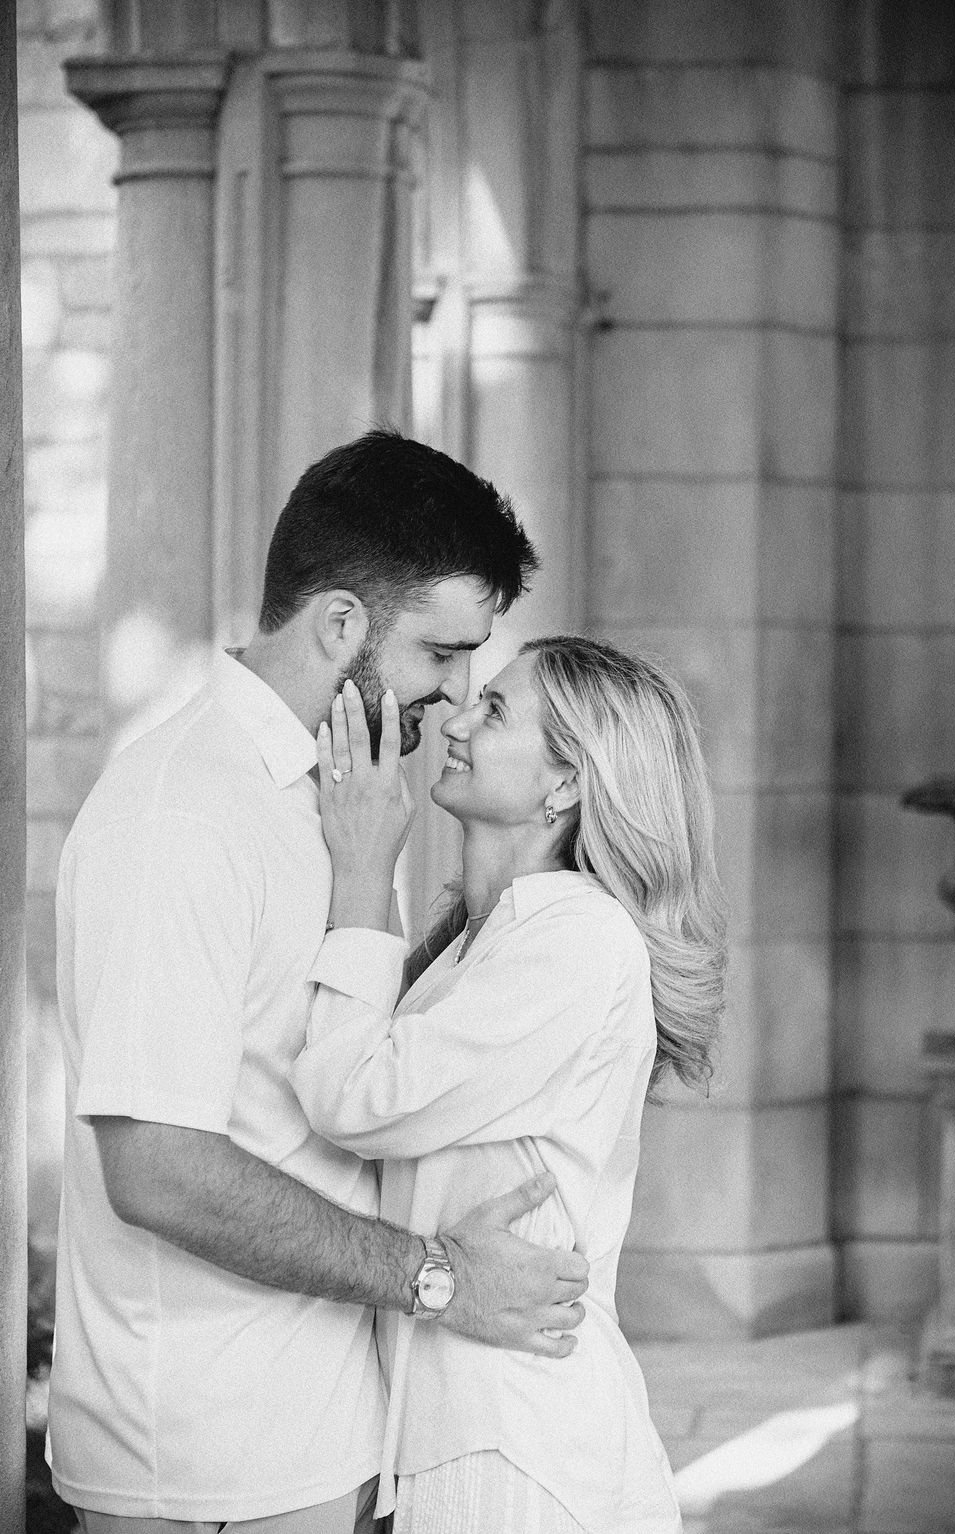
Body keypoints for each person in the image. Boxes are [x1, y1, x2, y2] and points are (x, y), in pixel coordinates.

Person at [47, 431, 591, 1534]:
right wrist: (439, 1277)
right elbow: (155, 1167)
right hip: (203, 1460)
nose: (458, 693)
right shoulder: (183, 815)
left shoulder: (341, 801)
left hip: (318, 1437)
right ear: (341, 623)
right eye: (443, 654)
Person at [291, 633, 728, 1534]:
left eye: (495, 711)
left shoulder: (577, 939)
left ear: (565, 784)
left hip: (513, 1444)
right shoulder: (477, 945)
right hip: (464, 1430)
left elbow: (353, 1096)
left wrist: (365, 869)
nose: (455, 719)